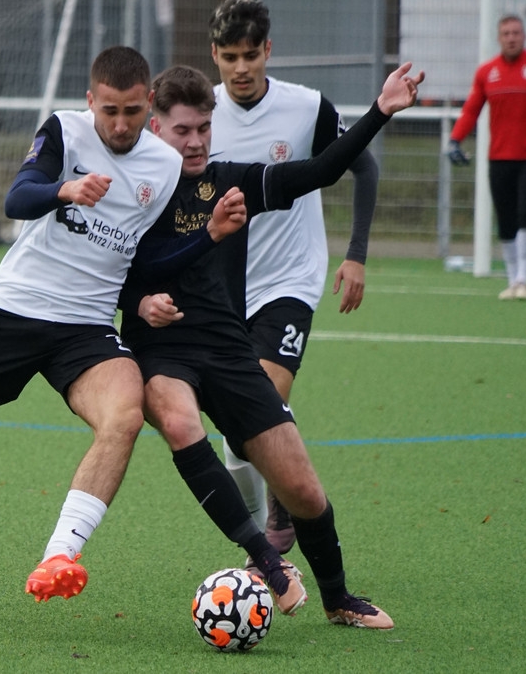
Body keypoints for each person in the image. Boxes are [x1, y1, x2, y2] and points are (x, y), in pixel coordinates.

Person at [0, 46, 246, 613]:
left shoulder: (163, 166)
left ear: (149, 105)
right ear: (91, 101)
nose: (120, 124)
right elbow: (17, 197)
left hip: (86, 326)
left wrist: (203, 239)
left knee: (124, 417)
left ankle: (59, 556)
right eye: (109, 110)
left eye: (133, 111)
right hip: (14, 311)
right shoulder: (65, 130)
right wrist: (66, 189)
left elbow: (143, 261)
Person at [121, 62, 423, 628]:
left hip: (228, 350)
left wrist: (380, 110)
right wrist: (140, 303)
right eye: (183, 130)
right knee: (181, 423)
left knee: (303, 489)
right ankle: (268, 560)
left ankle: (337, 599)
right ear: (155, 127)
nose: (196, 141)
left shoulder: (230, 182)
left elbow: (320, 170)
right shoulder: (130, 189)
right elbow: (105, 272)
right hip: (160, 352)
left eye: (204, 128)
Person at [206, 0, 381, 559]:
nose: (241, 68)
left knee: (255, 404)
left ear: (268, 50)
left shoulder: (307, 108)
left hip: (290, 279)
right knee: (239, 429)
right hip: (222, 288)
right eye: (230, 56)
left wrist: (356, 254)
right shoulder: (200, 116)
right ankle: (271, 515)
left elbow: (363, 166)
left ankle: (264, 544)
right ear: (214, 54)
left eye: (250, 55)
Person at [448, 14, 526, 301]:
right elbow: (471, 110)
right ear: (499, 38)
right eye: (506, 33)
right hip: (499, 156)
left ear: (523, 36)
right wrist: (454, 140)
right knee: (505, 218)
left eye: (516, 32)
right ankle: (511, 279)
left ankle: (523, 279)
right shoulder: (486, 72)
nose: (511, 38)